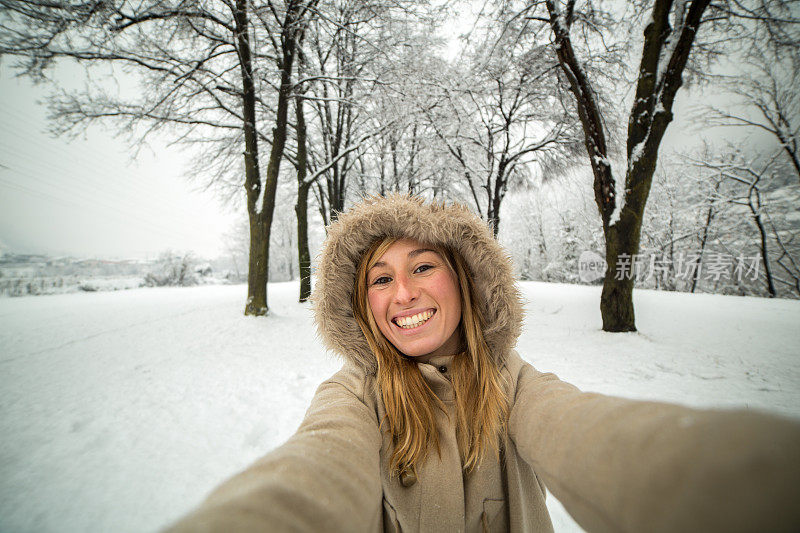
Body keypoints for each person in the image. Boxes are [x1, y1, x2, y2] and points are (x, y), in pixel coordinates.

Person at [165, 195, 800, 532]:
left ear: (463, 282)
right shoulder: (354, 395)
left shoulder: (511, 383)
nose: (404, 294)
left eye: (421, 267)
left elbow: (592, 435)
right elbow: (313, 468)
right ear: (362, 305)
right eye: (380, 280)